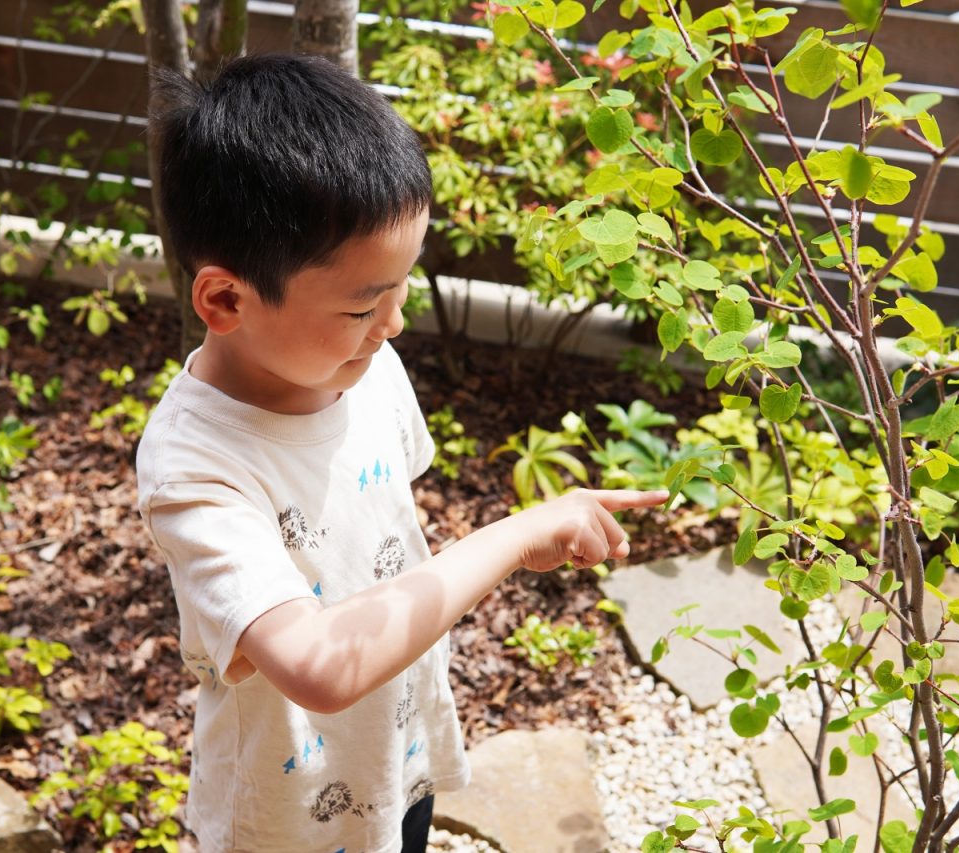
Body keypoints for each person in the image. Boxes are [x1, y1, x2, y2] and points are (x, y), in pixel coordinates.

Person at [136, 53, 668, 853]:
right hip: (285, 819)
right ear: (225, 299)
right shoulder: (196, 466)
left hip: (394, 758)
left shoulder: (367, 366)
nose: (393, 324)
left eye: (401, 287)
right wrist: (515, 536)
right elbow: (318, 664)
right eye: (361, 304)